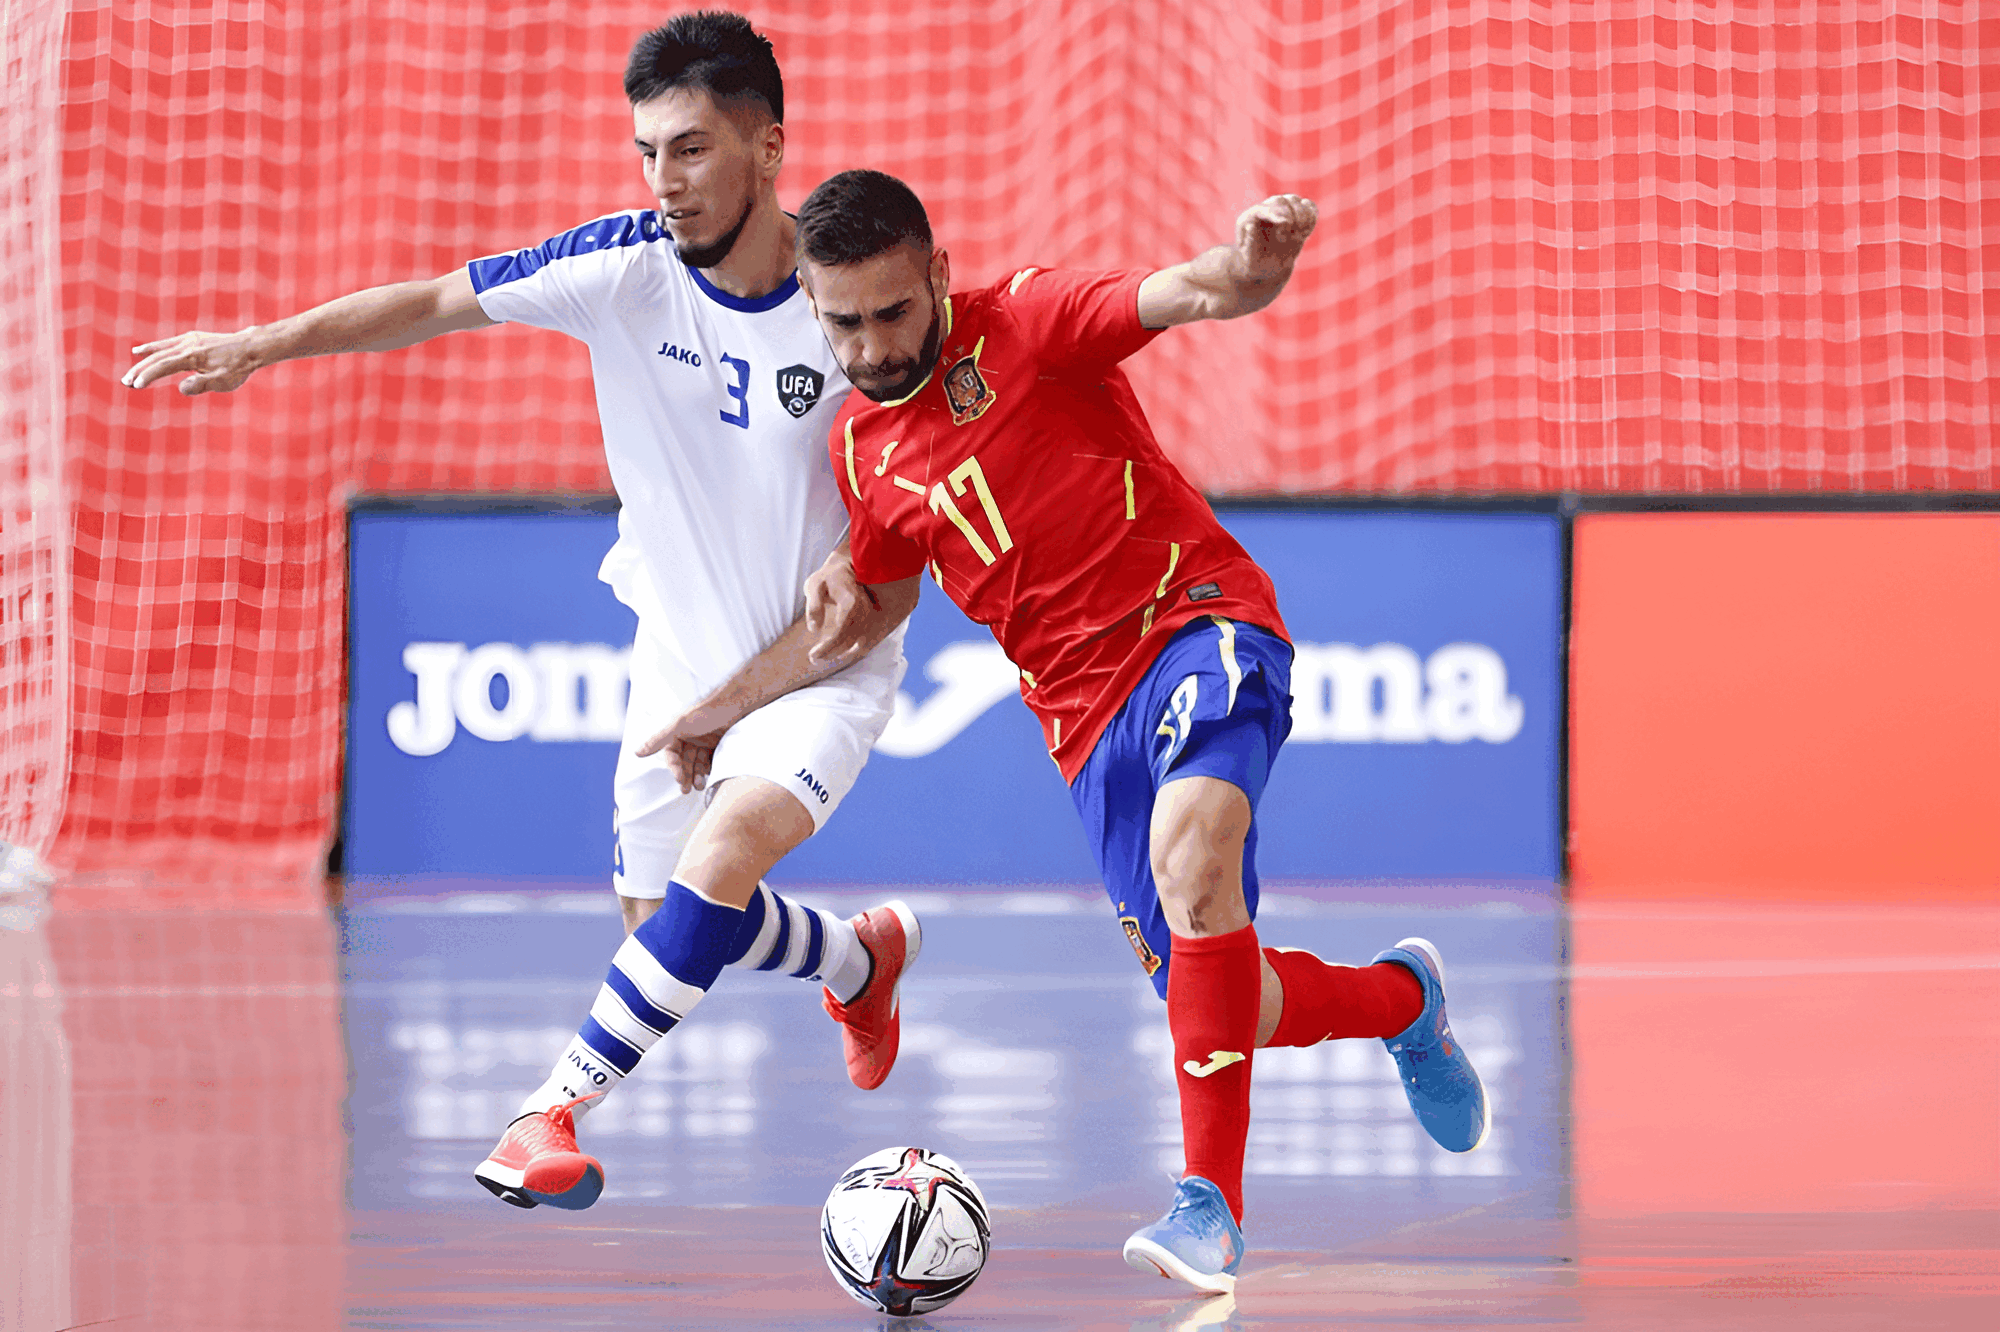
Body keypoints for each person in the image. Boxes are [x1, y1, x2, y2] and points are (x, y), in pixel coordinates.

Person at [122, 14, 927, 1212]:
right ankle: (858, 960)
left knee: (717, 868)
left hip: (815, 666)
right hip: (677, 657)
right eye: (647, 151)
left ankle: (543, 1111)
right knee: (667, 923)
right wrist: (260, 344)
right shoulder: (620, 267)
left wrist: (736, 702)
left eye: (693, 149)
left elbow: (887, 580)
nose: (664, 180)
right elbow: (432, 301)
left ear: (768, 148)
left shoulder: (852, 302)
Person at [651, 168, 1493, 1295]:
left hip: (1195, 624)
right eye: (839, 320)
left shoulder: (1029, 323)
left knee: (1192, 855)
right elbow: (876, 605)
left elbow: (1186, 292)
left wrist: (1247, 269)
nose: (868, 346)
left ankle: (1209, 1211)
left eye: (892, 313)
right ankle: (1403, 1000)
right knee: (1227, 993)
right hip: (1082, 724)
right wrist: (727, 702)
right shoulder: (859, 449)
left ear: (937, 275)